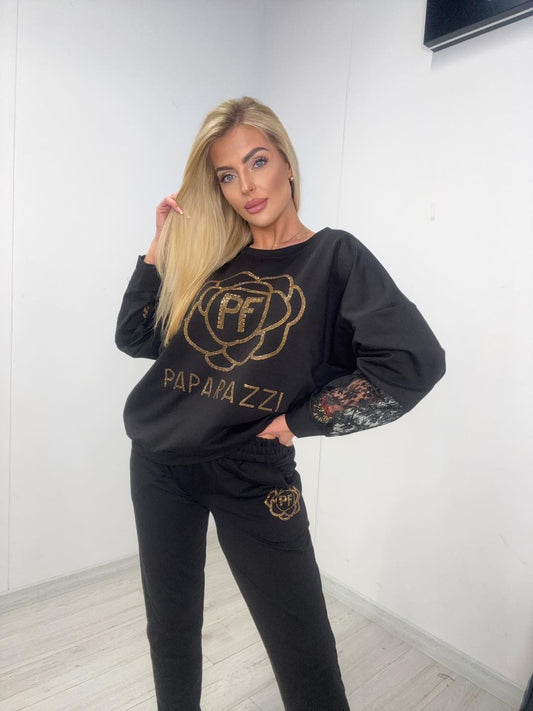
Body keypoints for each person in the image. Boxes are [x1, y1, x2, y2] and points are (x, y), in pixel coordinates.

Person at [115, 96, 445, 711]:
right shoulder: (214, 258)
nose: (246, 186)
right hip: (159, 462)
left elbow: (412, 362)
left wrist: (301, 421)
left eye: (258, 162)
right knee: (171, 628)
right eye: (227, 175)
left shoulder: (335, 257)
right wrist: (159, 246)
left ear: (287, 163)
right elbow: (136, 336)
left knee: (304, 651)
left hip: (252, 471)